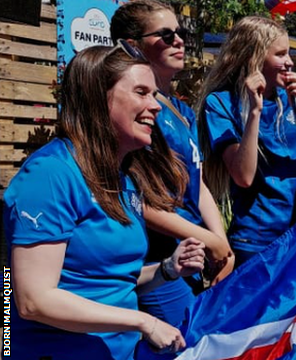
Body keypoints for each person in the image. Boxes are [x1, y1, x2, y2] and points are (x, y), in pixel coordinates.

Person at [4, 45, 205, 360]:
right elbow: (34, 301)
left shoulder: (123, 177)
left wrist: (167, 269)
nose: (155, 106)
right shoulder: (50, 174)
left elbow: (108, 279)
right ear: (99, 97)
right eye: (141, 92)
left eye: (154, 94)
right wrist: (143, 321)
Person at [110, 0, 233, 327]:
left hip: (193, 253)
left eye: (180, 33)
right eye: (166, 35)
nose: (179, 41)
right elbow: (136, 200)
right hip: (160, 259)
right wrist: (208, 240)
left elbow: (199, 184)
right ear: (133, 46)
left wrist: (220, 241)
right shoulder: (137, 117)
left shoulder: (182, 110)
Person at [196, 16, 296, 266]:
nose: (290, 62)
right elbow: (244, 176)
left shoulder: (295, 99)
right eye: (280, 54)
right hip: (255, 241)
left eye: (289, 53)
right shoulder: (221, 103)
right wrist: (254, 112)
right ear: (254, 58)